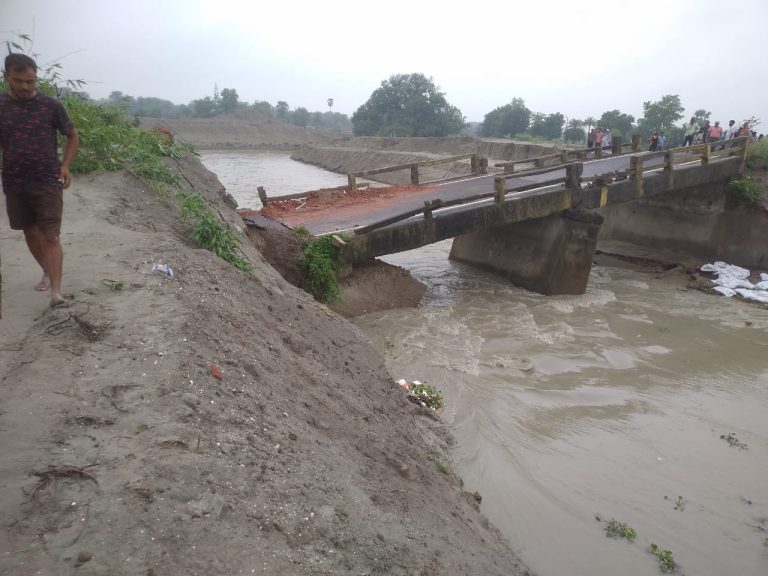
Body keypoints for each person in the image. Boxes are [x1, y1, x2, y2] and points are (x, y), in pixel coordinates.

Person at [0, 53, 79, 307]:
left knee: (51, 235)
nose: (25, 86)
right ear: (7, 77)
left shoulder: (51, 106)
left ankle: (56, 292)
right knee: (29, 229)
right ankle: (46, 269)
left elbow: (72, 134)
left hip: (47, 177)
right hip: (14, 178)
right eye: (19, 80)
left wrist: (65, 166)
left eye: (30, 81)